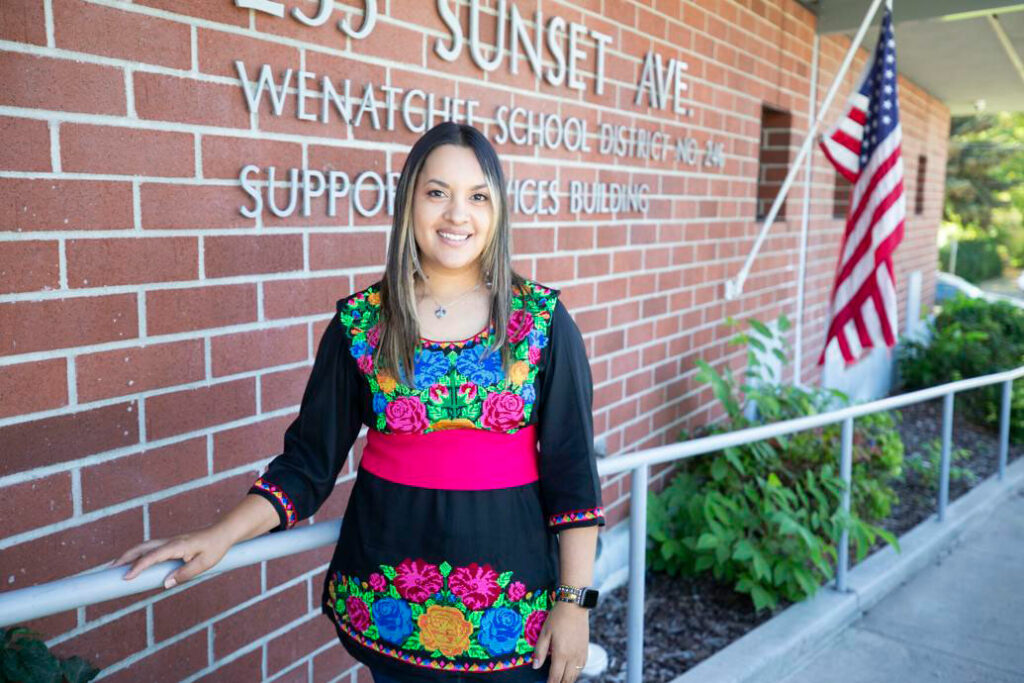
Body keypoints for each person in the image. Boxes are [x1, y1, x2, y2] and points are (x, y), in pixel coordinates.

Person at [108, 121, 606, 683]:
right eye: (437, 192)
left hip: (516, 613)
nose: (457, 215)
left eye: (478, 196)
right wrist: (220, 534)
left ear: (498, 210)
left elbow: (571, 470)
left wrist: (574, 602)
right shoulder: (361, 323)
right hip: (390, 603)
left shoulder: (540, 321)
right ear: (409, 201)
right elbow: (308, 464)